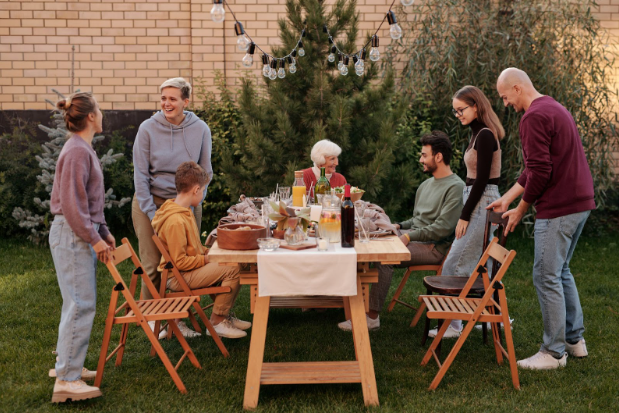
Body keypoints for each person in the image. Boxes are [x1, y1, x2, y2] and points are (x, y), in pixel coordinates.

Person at [490, 68, 595, 370]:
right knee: (560, 271)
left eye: (505, 96)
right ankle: (574, 342)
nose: (506, 103)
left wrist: (521, 208)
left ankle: (553, 352)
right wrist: (508, 198)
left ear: (518, 87)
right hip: (579, 203)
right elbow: (536, 167)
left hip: (559, 207)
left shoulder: (533, 117)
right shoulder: (553, 106)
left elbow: (541, 171)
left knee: (546, 276)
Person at [338, 131, 465, 331]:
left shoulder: (456, 187)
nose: (421, 159)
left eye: (424, 155)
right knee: (364, 243)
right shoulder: (425, 185)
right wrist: (397, 226)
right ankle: (345, 303)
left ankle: (371, 317)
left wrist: (407, 236)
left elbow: (442, 228)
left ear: (438, 157)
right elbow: (418, 220)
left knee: (383, 257)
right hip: (416, 238)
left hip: (433, 247)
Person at [48, 92, 115, 403]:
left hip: (76, 231)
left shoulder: (81, 148)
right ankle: (67, 381)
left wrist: (103, 230)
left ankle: (68, 365)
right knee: (80, 303)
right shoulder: (77, 151)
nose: (101, 114)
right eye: (99, 110)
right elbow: (74, 207)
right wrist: (96, 239)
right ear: (90, 116)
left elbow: (89, 201)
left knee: (75, 301)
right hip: (71, 233)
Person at [428, 85, 505, 339]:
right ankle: (489, 317)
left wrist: (464, 215)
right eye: (455, 111)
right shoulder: (477, 133)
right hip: (476, 198)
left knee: (455, 261)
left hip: (481, 200)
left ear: (476, 106)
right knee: (474, 261)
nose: (458, 114)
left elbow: (482, 179)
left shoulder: (484, 135)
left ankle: (453, 324)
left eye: (461, 109)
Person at [132, 77, 213, 316]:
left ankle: (180, 318)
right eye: (163, 98)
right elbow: (140, 174)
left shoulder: (200, 129)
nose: (166, 104)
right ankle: (151, 319)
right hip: (151, 202)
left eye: (172, 99)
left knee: (185, 262)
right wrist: (152, 213)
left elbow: (205, 171)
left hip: (187, 203)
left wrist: (193, 201)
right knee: (152, 266)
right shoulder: (147, 128)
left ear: (185, 101)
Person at [151, 161, 251, 339]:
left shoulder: (185, 211)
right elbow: (179, 262)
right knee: (232, 268)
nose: (203, 194)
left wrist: (208, 251)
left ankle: (224, 316)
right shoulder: (175, 221)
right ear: (196, 189)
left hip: (188, 270)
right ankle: (217, 322)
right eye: (203, 189)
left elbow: (193, 248)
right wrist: (207, 259)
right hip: (176, 277)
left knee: (238, 261)